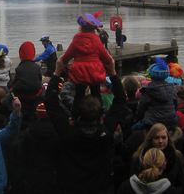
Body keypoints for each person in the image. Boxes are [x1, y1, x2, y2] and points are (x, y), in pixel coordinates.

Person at [45, 58, 127, 194]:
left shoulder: (67, 133)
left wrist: (57, 72)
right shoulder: (105, 132)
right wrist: (112, 73)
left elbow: (50, 103)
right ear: (100, 113)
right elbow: (120, 101)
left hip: (72, 187)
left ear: (76, 112)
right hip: (100, 187)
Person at [57, 12, 114, 104]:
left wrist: (65, 64)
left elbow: (66, 57)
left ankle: (75, 116)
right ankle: (99, 115)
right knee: (96, 94)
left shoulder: (76, 40)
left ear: (81, 27)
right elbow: (106, 59)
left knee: (79, 96)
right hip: (95, 72)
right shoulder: (97, 40)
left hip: (79, 72)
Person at [129, 123, 184, 189]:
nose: (160, 141)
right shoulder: (140, 157)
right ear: (151, 139)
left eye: (163, 138)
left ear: (168, 139)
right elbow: (133, 182)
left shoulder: (176, 157)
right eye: (156, 138)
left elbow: (181, 183)